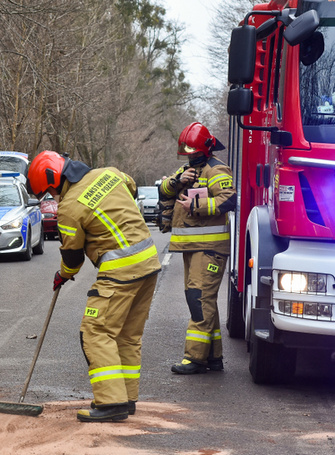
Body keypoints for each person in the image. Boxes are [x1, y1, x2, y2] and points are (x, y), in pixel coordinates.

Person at [27, 151, 161, 422]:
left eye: (50, 192)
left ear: (55, 181)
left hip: (120, 272)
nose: (52, 198)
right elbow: (131, 186)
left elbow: (72, 255)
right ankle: (126, 398)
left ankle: (111, 403)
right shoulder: (109, 173)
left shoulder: (70, 207)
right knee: (126, 335)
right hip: (148, 264)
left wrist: (63, 274)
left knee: (95, 331)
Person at [158, 122, 237, 375]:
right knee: (204, 301)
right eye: (186, 151)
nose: (190, 154)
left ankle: (195, 359)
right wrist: (177, 180)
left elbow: (229, 200)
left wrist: (196, 206)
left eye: (193, 149)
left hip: (210, 248)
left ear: (205, 148)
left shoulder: (217, 169)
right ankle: (213, 358)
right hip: (192, 248)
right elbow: (164, 189)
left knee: (199, 301)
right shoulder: (188, 170)